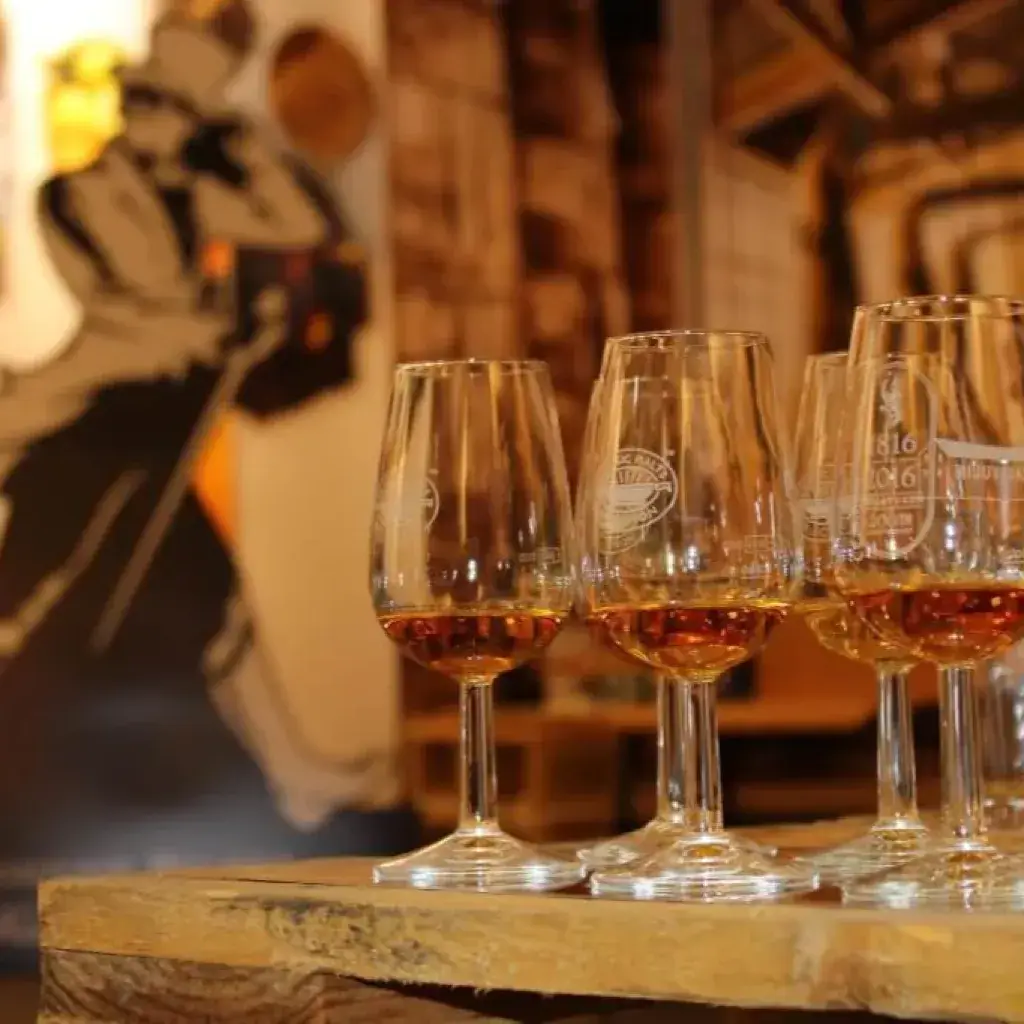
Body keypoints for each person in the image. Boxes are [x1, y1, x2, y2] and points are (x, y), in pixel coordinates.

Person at [0, 6, 409, 960]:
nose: (177, 107)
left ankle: (300, 781)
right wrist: (197, 330)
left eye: (199, 89)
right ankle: (291, 780)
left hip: (157, 429)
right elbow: (143, 317)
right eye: (170, 87)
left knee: (196, 589)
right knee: (37, 599)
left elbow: (300, 222)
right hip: (95, 423)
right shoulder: (84, 187)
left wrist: (235, 145)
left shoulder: (203, 173)